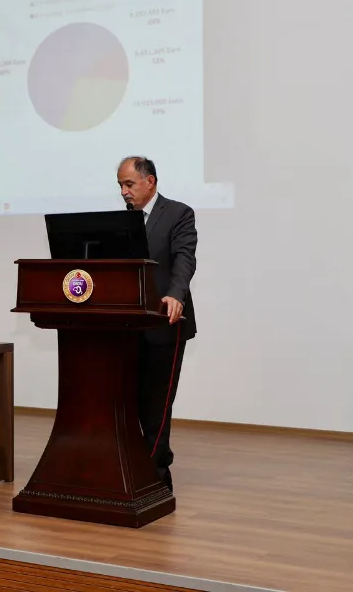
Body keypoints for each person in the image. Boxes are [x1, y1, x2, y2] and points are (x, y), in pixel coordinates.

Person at [116, 156, 197, 492]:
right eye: (120, 185)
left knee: (157, 405)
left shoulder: (178, 213)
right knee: (131, 401)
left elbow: (184, 259)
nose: (124, 191)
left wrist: (176, 294)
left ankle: (157, 476)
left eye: (129, 184)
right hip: (128, 326)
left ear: (150, 181)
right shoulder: (122, 221)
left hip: (166, 322)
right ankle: (134, 469)